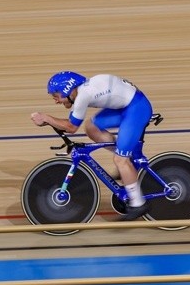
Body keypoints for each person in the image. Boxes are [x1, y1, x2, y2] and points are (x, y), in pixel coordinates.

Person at [31, 71, 155, 221]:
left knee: (120, 160)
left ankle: (138, 204)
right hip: (126, 107)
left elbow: (71, 127)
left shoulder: (83, 95)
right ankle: (126, 158)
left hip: (136, 109)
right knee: (91, 127)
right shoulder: (82, 90)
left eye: (56, 96)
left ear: (67, 90)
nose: (56, 101)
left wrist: (46, 118)